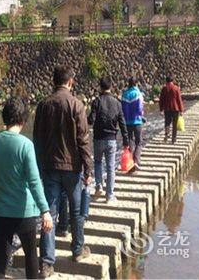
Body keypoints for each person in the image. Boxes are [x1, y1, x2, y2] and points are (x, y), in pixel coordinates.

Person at [0, 97, 53, 279]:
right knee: (30, 257)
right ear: (23, 119)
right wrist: (45, 210)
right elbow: (34, 181)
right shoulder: (26, 145)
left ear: (5, 117)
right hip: (24, 213)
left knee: (0, 261)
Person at [34, 65, 93, 279]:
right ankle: (77, 251)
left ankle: (47, 264)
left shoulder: (43, 105)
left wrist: (38, 168)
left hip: (49, 167)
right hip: (72, 167)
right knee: (76, 211)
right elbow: (83, 140)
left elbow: (37, 140)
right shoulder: (76, 105)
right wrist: (88, 167)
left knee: (49, 213)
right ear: (70, 82)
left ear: (54, 81)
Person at [88, 76, 129, 204]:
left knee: (98, 162)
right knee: (111, 167)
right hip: (111, 139)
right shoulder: (117, 103)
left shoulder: (97, 101)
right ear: (111, 87)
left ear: (100, 87)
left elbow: (90, 120)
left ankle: (99, 186)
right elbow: (122, 123)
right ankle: (109, 196)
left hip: (98, 138)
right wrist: (126, 141)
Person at [122, 77, 145, 170]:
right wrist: (141, 115)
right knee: (139, 142)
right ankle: (136, 160)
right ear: (136, 84)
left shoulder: (124, 94)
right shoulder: (138, 93)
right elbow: (140, 108)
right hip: (137, 121)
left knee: (130, 140)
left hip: (127, 121)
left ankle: (130, 161)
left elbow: (122, 108)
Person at [159, 76, 184, 144]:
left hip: (167, 109)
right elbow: (179, 99)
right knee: (174, 124)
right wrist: (181, 110)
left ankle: (166, 136)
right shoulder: (176, 88)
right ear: (172, 81)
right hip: (175, 108)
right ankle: (174, 139)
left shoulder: (164, 89)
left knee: (167, 123)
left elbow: (161, 100)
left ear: (166, 81)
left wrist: (161, 109)